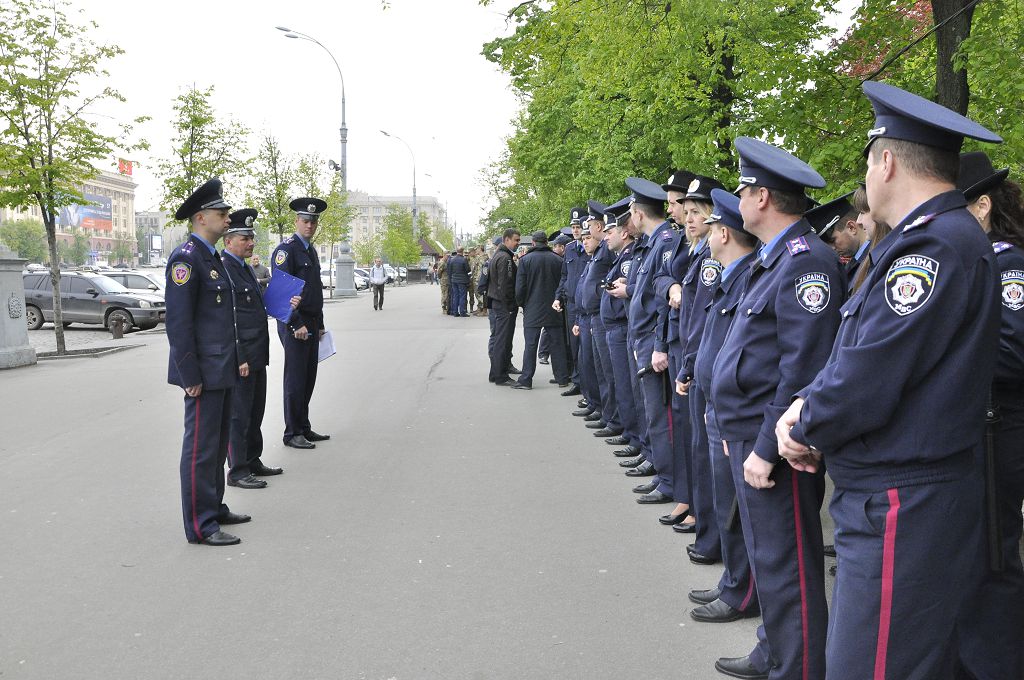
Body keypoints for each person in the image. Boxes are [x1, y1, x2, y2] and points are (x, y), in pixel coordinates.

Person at [775, 81, 1003, 680]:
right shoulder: (932, 240)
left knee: (871, 666)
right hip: (902, 490)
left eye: (868, 160)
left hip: (902, 496)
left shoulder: (929, 249)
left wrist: (804, 423)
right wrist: (807, 404)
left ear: (887, 160)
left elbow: (870, 374)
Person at [710, 136, 843, 680]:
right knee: (770, 556)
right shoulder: (776, 260)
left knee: (788, 560)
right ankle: (776, 648)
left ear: (762, 198)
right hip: (749, 430)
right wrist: (731, 424)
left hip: (776, 442)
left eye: (742, 190)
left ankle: (799, 666)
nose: (737, 200)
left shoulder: (805, 260)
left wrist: (765, 447)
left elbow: (800, 369)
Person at [953, 150, 1024, 680]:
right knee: (969, 557)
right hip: (980, 423)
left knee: (992, 561)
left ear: (981, 206)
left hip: (1001, 425)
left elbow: (1012, 351)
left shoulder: (1008, 263)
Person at [688, 188, 761, 624]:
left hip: (738, 414)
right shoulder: (735, 275)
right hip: (719, 406)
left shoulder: (749, 274)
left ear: (726, 234)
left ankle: (741, 591)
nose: (709, 231)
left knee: (738, 511)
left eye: (714, 224)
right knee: (725, 504)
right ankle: (733, 581)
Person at [165, 177, 250, 546]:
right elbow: (178, 323)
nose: (228, 218)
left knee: (217, 445)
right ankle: (201, 526)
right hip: (203, 373)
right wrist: (189, 374)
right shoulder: (185, 259)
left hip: (223, 368)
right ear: (202, 218)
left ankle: (214, 506)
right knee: (201, 449)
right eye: (222, 213)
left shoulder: (212, 258)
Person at [222, 209, 290, 490]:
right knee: (238, 414)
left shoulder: (245, 267)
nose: (251, 243)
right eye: (244, 238)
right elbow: (231, 317)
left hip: (256, 353)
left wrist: (287, 302)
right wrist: (239, 357)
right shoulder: (225, 269)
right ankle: (238, 470)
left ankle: (252, 459)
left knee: (255, 410)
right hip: (242, 357)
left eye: (252, 237)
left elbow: (255, 307)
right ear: (228, 241)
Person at [271, 197, 331, 450]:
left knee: (308, 377)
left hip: (311, 321)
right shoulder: (286, 251)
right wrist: (296, 324)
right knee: (295, 379)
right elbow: (280, 293)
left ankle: (303, 426)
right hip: (295, 323)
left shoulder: (309, 250)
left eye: (313, 222)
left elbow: (314, 291)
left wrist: (319, 323)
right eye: (305, 221)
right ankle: (292, 432)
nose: (309, 225)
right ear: (297, 221)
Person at [511, 231, 570, 389]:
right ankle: (562, 378)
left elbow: (520, 288)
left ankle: (526, 379)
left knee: (530, 345)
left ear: (533, 243)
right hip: (554, 308)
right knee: (557, 344)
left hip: (532, 308)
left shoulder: (525, 260)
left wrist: (522, 304)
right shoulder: (558, 259)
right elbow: (563, 283)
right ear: (546, 242)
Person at [554, 208, 587, 396]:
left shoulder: (593, 247)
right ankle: (577, 381)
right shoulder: (570, 250)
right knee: (574, 345)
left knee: (587, 348)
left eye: (578, 227)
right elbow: (564, 277)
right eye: (573, 227)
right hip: (571, 304)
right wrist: (558, 297)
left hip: (587, 305)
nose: (575, 230)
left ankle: (588, 386)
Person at [487, 229, 521, 385]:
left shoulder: (498, 255)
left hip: (498, 303)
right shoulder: (505, 258)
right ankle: (500, 376)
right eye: (516, 240)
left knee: (501, 339)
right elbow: (505, 285)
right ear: (506, 240)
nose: (518, 243)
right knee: (502, 340)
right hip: (503, 305)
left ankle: (496, 373)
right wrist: (509, 306)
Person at [448, 247, 471, 317]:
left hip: (454, 280)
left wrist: (451, 279)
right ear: (462, 251)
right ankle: (462, 312)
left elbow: (449, 271)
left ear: (457, 251)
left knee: (455, 296)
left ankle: (455, 312)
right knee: (462, 296)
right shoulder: (464, 260)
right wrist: (469, 277)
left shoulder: (452, 260)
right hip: (462, 281)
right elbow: (468, 270)